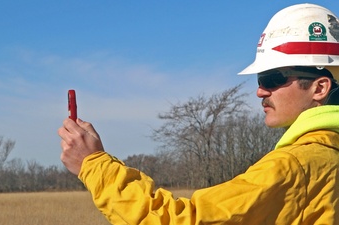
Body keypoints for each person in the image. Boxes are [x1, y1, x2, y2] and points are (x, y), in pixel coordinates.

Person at [58, 3, 339, 224]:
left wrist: (93, 165)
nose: (260, 92)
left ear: (320, 87)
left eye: (273, 78)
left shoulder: (295, 166)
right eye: (259, 80)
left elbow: (179, 221)